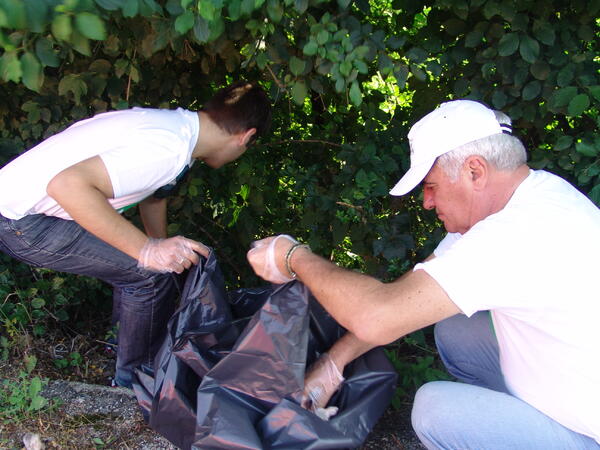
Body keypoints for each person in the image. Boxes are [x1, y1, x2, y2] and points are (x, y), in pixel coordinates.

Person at [246, 100, 600, 448]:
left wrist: (293, 256)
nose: (427, 202)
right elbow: (410, 296)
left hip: (585, 429)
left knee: (434, 410)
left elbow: (379, 315)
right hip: (571, 387)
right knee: (457, 328)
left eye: (431, 186)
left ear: (474, 171)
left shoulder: (516, 233)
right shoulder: (535, 196)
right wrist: (332, 365)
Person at [0, 81, 272, 388]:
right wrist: (148, 252)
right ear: (246, 137)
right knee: (146, 276)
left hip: (21, 209)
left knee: (153, 271)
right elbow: (67, 186)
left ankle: (117, 352)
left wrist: (160, 254)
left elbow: (154, 196)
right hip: (22, 221)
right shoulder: (167, 149)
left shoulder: (176, 130)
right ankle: (131, 386)